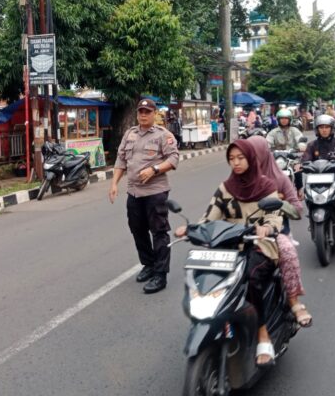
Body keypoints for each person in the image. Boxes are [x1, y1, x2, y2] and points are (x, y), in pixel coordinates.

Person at [174, 139, 284, 366]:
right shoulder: (226, 188)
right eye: (231, 159)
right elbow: (209, 217)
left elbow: (275, 216)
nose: (236, 163)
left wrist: (268, 227)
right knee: (203, 276)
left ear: (251, 159)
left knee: (251, 277)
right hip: (229, 249)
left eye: (240, 158)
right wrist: (192, 229)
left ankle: (262, 333)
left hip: (259, 245)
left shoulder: (266, 186)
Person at [109, 98, 180, 294]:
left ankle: (160, 274)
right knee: (137, 230)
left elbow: (174, 158)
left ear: (154, 114)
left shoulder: (162, 135)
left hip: (155, 192)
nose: (143, 114)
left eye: (147, 112)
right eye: (140, 111)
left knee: (159, 232)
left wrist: (155, 169)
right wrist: (114, 183)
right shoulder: (130, 134)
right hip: (134, 192)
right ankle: (148, 264)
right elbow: (121, 159)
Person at [246, 136, 312, 328]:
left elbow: (298, 209)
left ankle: (293, 300)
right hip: (245, 232)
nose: (250, 160)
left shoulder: (280, 179)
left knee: (288, 253)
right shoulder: (239, 178)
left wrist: (280, 202)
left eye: (253, 156)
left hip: (276, 234)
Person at [302, 114, 335, 230]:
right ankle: (312, 215)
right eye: (321, 127)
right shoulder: (312, 145)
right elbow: (305, 159)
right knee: (307, 192)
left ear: (332, 129)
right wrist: (300, 165)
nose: (324, 130)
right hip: (316, 177)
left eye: (327, 127)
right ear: (317, 129)